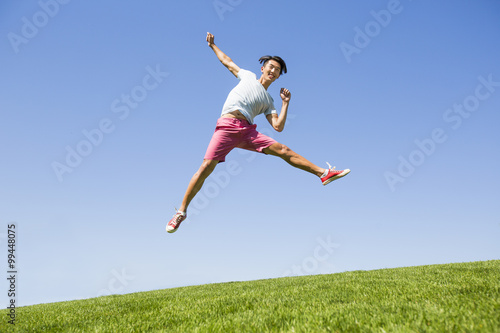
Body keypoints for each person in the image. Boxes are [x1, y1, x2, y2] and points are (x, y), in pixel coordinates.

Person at [166, 32, 350, 233]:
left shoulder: (269, 101)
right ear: (263, 68)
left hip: (247, 131)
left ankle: (323, 173)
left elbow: (278, 126)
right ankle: (181, 212)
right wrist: (213, 46)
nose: (273, 70)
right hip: (227, 126)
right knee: (206, 168)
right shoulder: (247, 76)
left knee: (283, 149)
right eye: (271, 66)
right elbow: (227, 62)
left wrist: (285, 103)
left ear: (278, 76)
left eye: (277, 70)